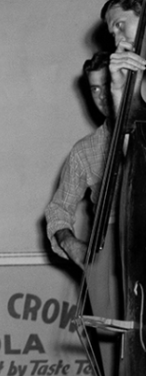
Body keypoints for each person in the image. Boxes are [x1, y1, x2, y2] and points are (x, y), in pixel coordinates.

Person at [99, 0, 146, 376]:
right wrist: (120, 93)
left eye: (121, 24)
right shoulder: (130, 79)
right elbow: (125, 151)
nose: (115, 36)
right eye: (112, 29)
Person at [45, 52, 120, 325]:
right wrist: (69, 242)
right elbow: (58, 209)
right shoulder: (85, 151)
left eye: (108, 85)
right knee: (112, 356)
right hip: (108, 261)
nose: (102, 96)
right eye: (95, 88)